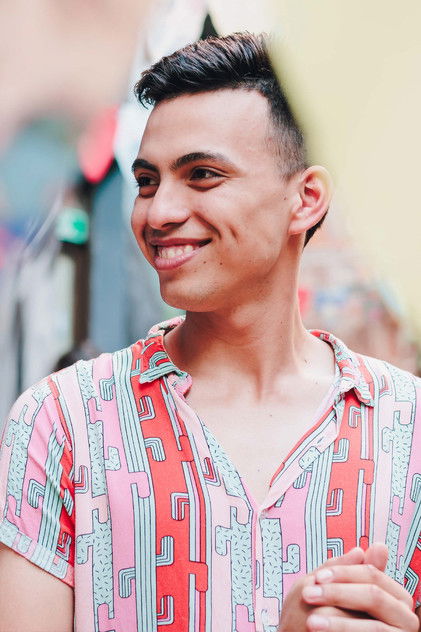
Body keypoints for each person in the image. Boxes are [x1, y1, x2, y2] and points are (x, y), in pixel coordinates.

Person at [0, 32, 420, 632]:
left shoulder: (409, 428)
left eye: (201, 174)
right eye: (147, 181)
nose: (158, 212)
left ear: (306, 199)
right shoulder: (62, 422)